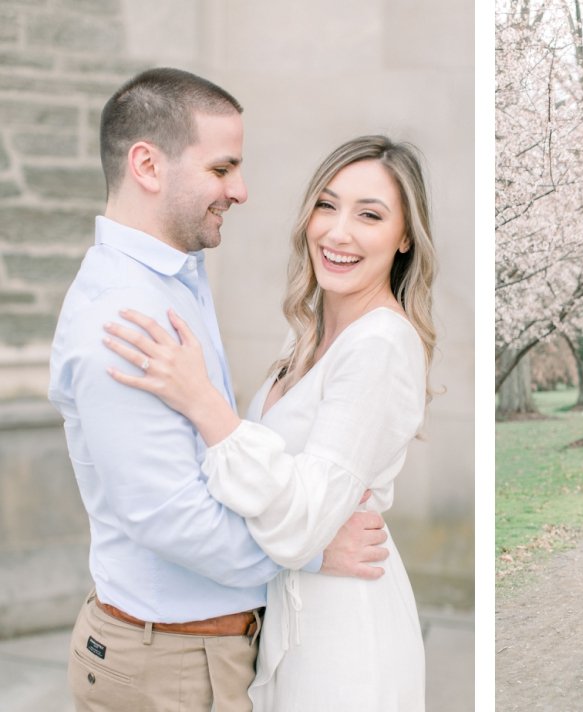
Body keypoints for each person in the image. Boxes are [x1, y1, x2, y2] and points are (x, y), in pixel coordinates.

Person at [49, 68, 386, 712]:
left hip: (189, 654)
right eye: (222, 169)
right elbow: (172, 519)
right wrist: (311, 552)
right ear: (148, 164)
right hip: (169, 666)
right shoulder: (124, 315)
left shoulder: (173, 275)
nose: (241, 190)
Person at [102, 135, 436, 710]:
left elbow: (304, 520)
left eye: (370, 215)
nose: (337, 232)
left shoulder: (380, 345)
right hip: (289, 610)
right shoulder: (308, 331)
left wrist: (203, 402)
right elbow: (282, 501)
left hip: (341, 634)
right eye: (326, 205)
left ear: (405, 237)